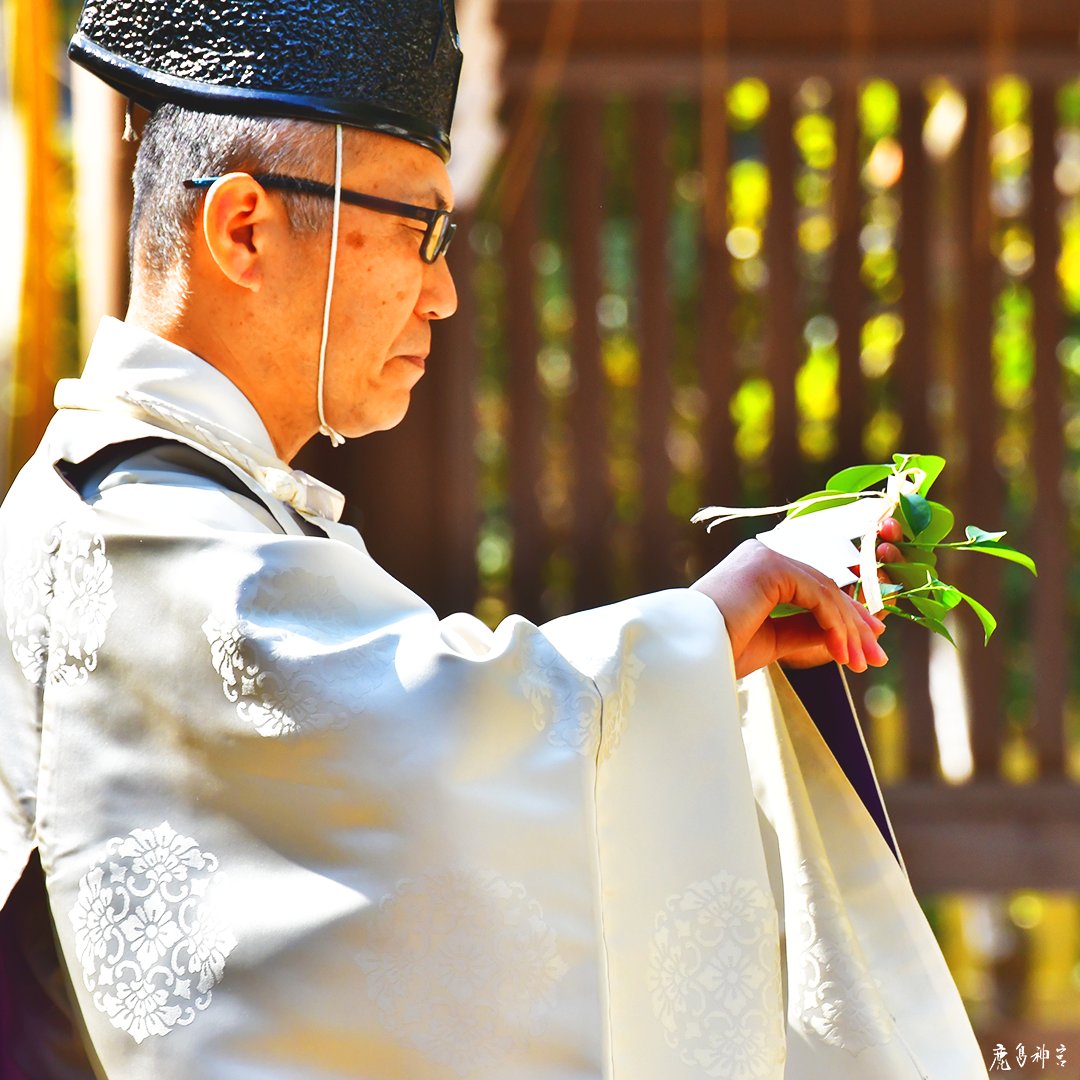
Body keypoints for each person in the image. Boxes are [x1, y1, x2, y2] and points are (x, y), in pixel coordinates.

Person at [0, 2, 986, 1077]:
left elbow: (403, 735)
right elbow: (433, 738)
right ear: (244, 229)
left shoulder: (169, 505)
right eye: (420, 231)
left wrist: (713, 645)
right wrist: (701, 629)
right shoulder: (140, 523)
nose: (445, 291)